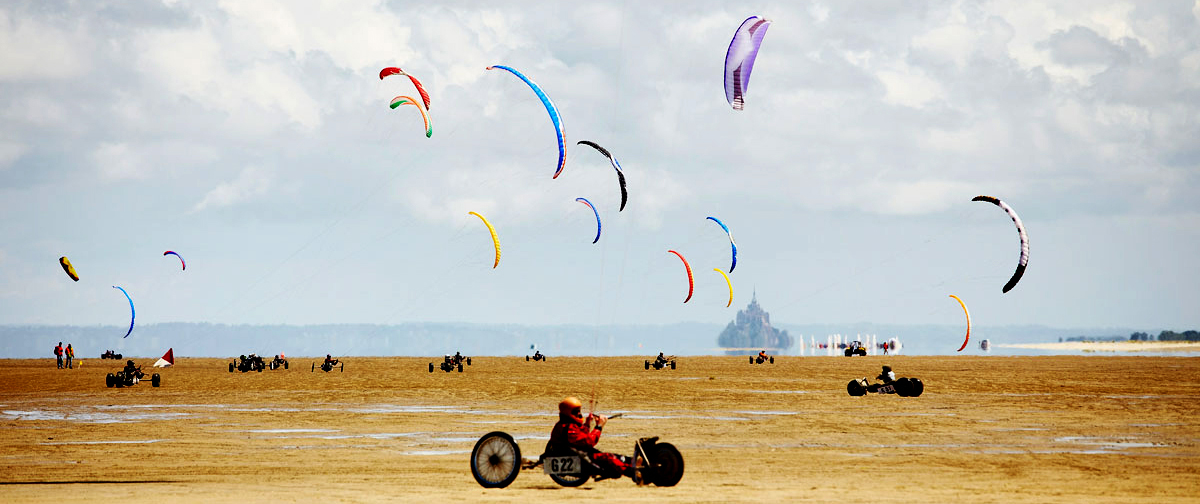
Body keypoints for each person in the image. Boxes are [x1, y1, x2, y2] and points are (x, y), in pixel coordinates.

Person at [549, 397, 635, 480]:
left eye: (579, 411)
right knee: (608, 457)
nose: (579, 414)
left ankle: (633, 462)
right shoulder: (568, 427)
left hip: (579, 453)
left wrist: (587, 423)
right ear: (568, 413)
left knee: (617, 457)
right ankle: (632, 472)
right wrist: (599, 427)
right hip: (577, 457)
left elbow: (581, 437)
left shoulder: (568, 424)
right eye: (576, 412)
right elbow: (588, 441)